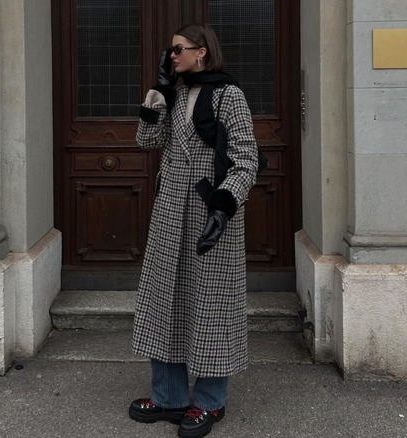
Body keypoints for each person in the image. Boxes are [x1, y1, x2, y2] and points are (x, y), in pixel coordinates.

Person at [128, 23, 259, 438]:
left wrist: (224, 207)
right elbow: (146, 140)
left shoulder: (228, 96)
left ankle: (209, 402)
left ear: (202, 52)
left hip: (211, 210)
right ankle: (168, 397)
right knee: (165, 298)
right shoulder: (177, 94)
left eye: (178, 50)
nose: (171, 56)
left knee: (211, 304)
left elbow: (246, 159)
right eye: (170, 52)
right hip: (170, 210)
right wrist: (158, 94)